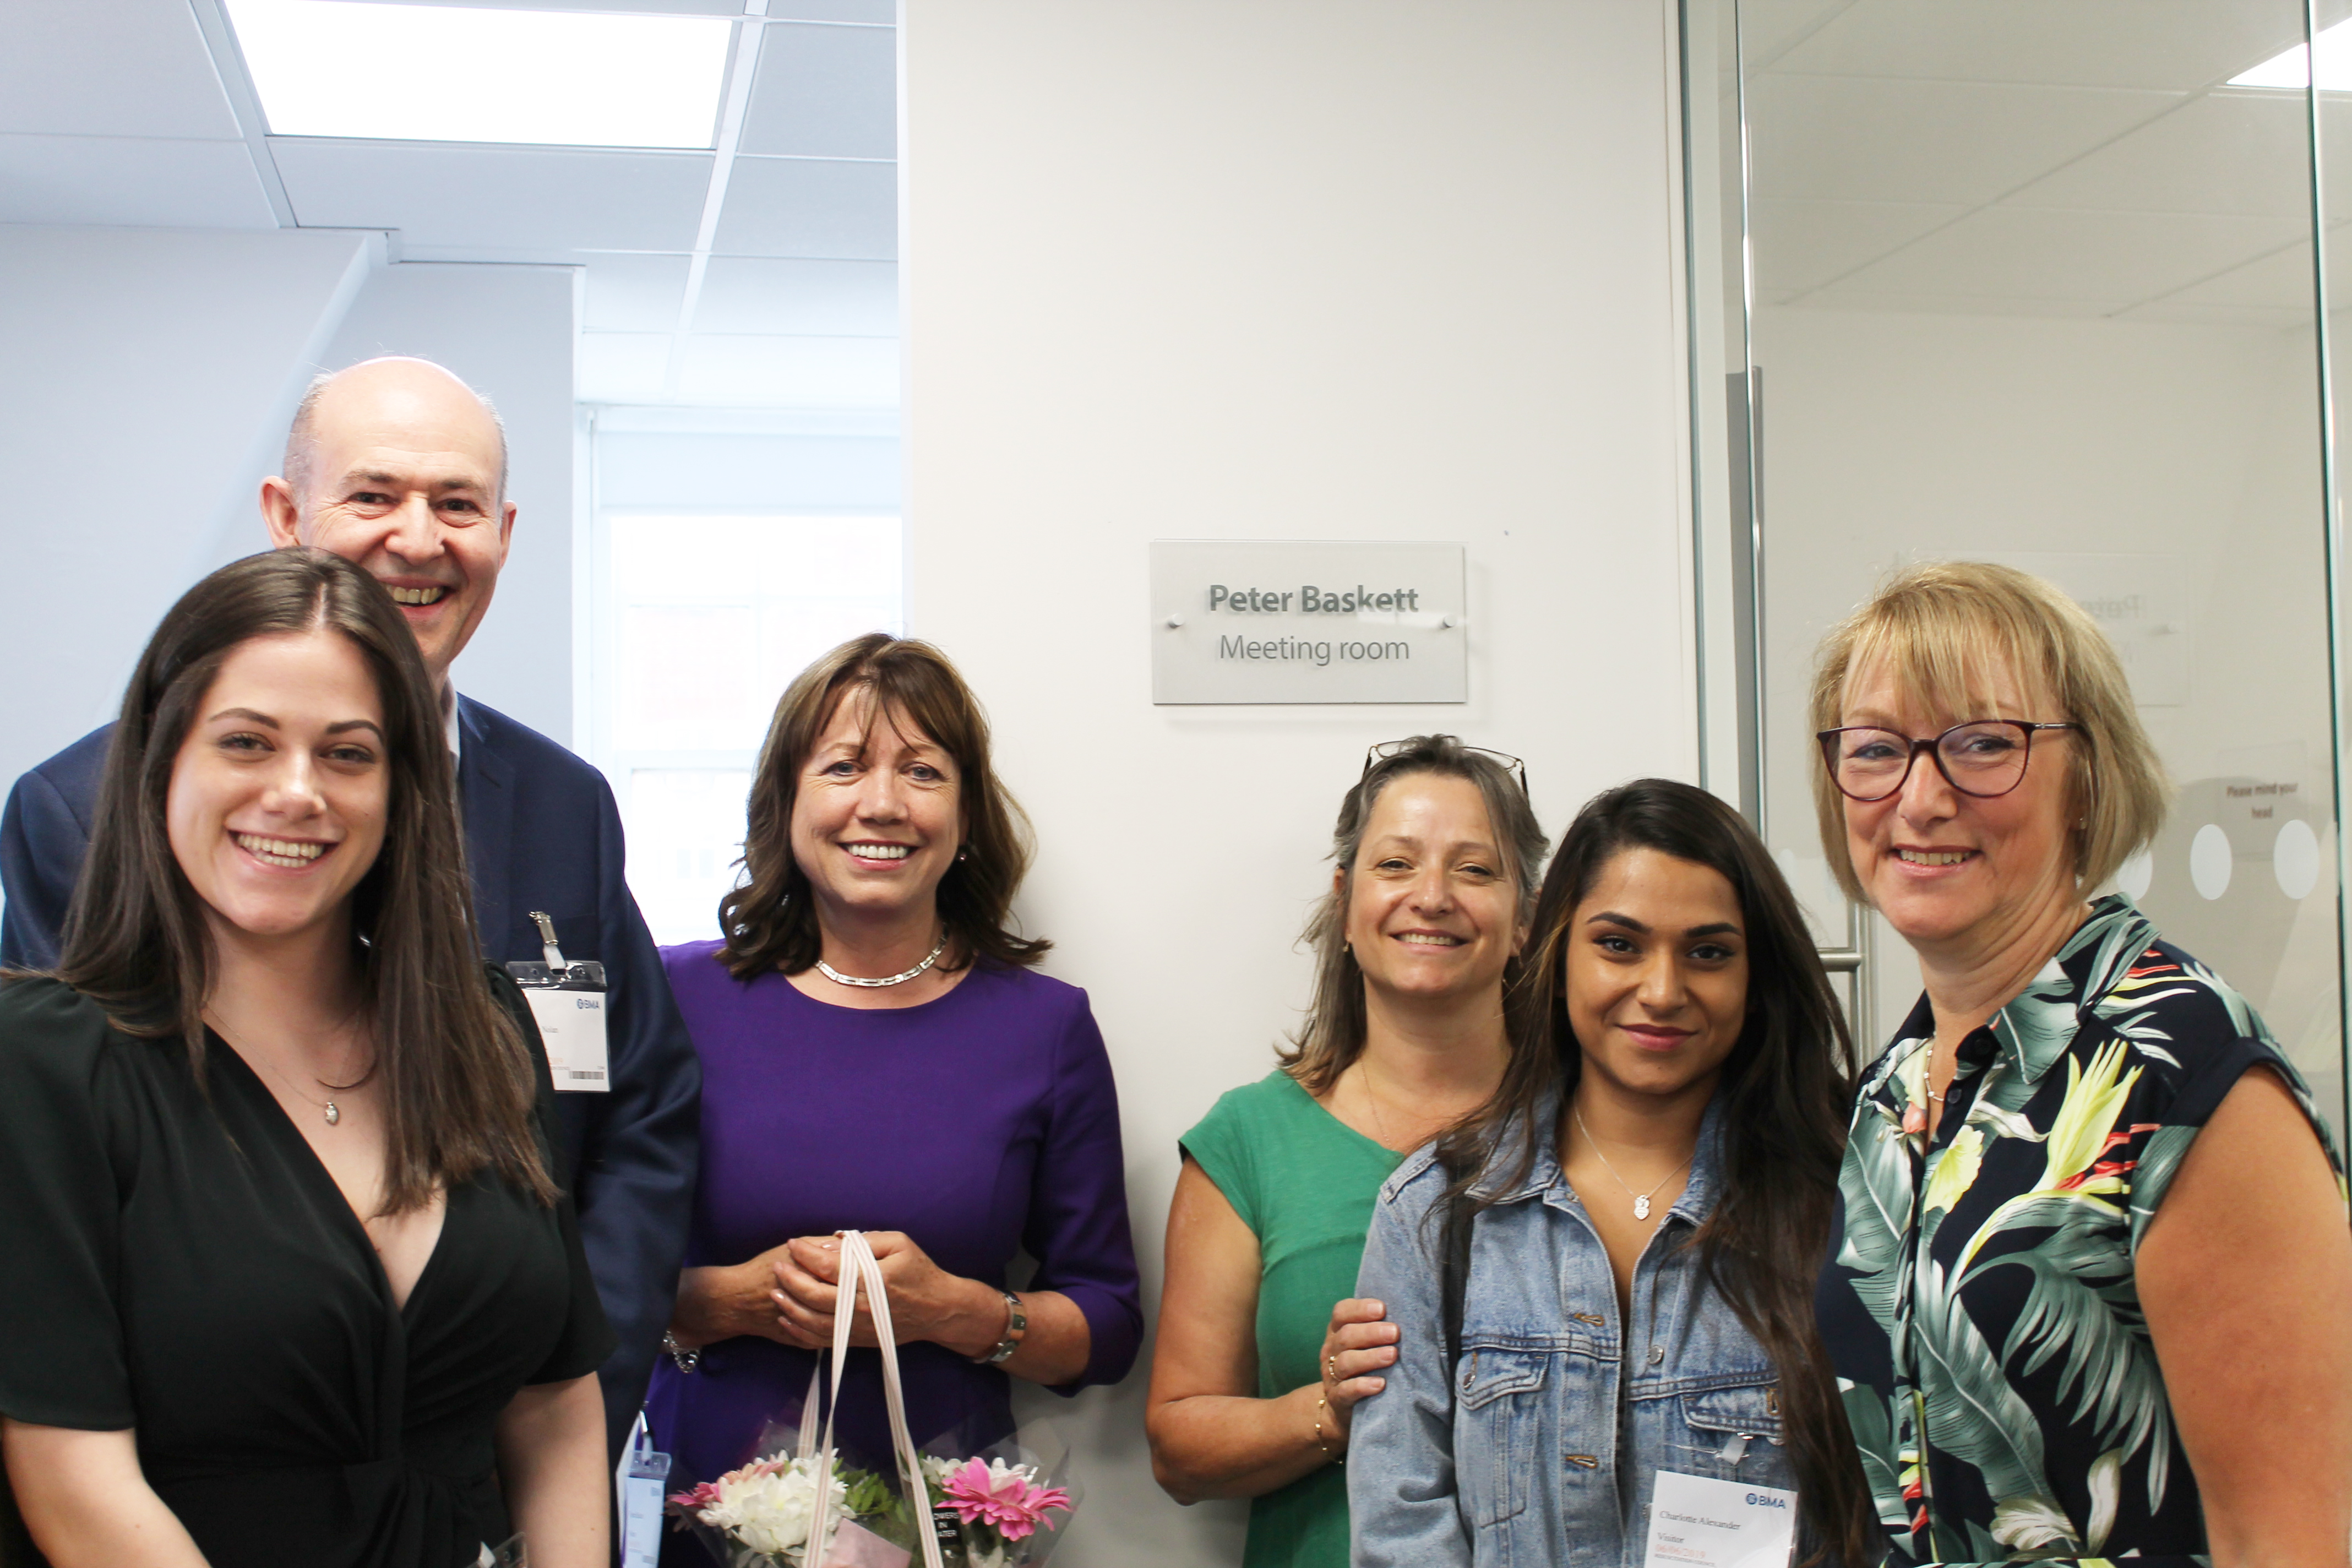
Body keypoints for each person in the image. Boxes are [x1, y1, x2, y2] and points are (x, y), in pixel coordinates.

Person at [0, 357, 699, 1456]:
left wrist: (572, 1383)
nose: (418, 540)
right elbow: (105, 1170)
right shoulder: (79, 811)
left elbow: (641, 1116)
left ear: (504, 534)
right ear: (285, 515)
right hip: (235, 1439)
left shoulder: (565, 802)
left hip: (520, 1421)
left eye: (456, 504)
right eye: (373, 496)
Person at [0, 550, 611, 1568]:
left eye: (348, 753)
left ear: (402, 788)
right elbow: (74, 1481)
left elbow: (553, 1407)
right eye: (245, 742)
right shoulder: (46, 1065)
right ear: (162, 761)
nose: (297, 792)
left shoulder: (489, 1029)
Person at [1809, 560, 2352, 1567]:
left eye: (1981, 745)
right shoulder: (1898, 1083)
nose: (1919, 798)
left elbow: (2287, 1542)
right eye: (1878, 749)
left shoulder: (2185, 1074)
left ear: (2087, 777)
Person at [646, 633, 1140, 1556]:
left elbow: (1106, 1328)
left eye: (922, 771)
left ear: (964, 815)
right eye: (843, 766)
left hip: (945, 1528)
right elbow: (569, 1280)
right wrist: (725, 1303)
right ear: (787, 802)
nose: (882, 803)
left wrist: (959, 1313)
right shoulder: (674, 1001)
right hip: (696, 1511)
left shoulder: (1045, 1028)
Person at [1350, 777, 1874, 1567]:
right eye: (1620, 944)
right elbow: (1400, 1529)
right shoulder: (1436, 1212)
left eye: (1708, 952)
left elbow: (1886, 1520)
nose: (1661, 991)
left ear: (1754, 978)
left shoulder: (1847, 1199)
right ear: (1557, 954)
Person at [1146, 736, 1548, 1568]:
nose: (1431, 897)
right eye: (1396, 865)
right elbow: (1179, 1448)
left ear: (1526, 922)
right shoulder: (1251, 1140)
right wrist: (1327, 1411)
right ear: (1345, 904)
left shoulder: (1597, 1129)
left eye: (1475, 871)